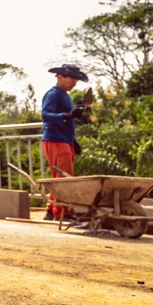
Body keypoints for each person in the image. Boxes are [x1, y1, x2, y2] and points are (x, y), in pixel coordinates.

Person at [41, 64, 89, 222]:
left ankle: (51, 210)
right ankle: (62, 213)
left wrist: (73, 141)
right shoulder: (53, 94)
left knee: (60, 176)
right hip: (55, 140)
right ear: (60, 77)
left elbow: (67, 122)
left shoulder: (66, 96)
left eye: (76, 80)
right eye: (72, 79)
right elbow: (46, 115)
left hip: (64, 140)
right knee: (64, 178)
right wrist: (67, 116)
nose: (74, 83)